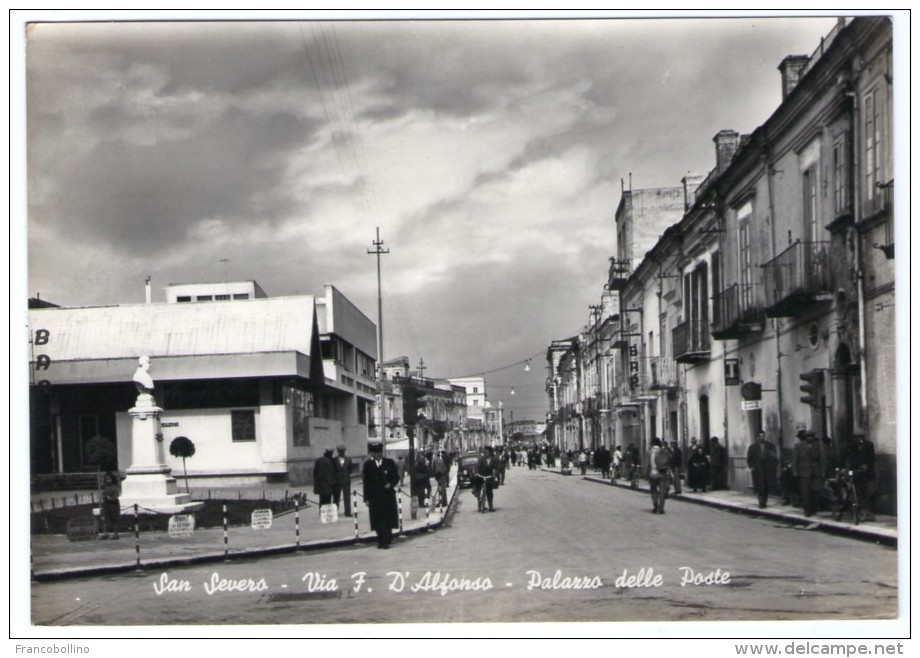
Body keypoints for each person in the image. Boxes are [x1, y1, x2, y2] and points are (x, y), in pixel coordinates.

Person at [362, 442, 400, 549]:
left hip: (387, 496)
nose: (378, 455)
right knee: (377, 519)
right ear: (372, 454)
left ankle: (387, 540)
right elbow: (366, 482)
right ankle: (381, 540)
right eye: (375, 453)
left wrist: (391, 484)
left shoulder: (389, 463)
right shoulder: (368, 465)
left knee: (388, 518)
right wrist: (366, 498)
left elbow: (396, 478)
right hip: (375, 496)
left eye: (380, 452)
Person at [791, 429, 826, 517]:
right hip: (804, 472)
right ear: (805, 438)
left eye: (811, 437)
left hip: (815, 471)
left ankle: (813, 508)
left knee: (816, 491)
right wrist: (794, 471)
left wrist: (822, 471)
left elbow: (822, 459)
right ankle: (807, 510)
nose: (809, 438)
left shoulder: (817, 446)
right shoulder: (798, 446)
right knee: (805, 492)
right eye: (808, 437)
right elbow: (794, 459)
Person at [845, 433, 876, 521]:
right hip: (857, 473)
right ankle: (860, 513)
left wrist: (867, 465)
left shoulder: (869, 445)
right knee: (858, 493)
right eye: (857, 438)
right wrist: (857, 466)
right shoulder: (851, 446)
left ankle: (869, 513)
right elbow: (849, 459)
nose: (859, 440)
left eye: (861, 438)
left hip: (868, 473)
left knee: (870, 492)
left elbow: (872, 458)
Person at [746, 431, 779, 509]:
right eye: (760, 436)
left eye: (763, 436)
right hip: (758, 471)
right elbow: (749, 458)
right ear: (757, 437)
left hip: (767, 470)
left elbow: (775, 458)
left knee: (766, 487)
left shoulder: (770, 446)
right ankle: (761, 502)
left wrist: (772, 466)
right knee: (760, 487)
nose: (762, 438)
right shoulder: (753, 447)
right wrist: (752, 467)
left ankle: (764, 501)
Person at [647, 438, 671, 514]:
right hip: (662, 473)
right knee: (662, 492)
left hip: (653, 474)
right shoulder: (664, 451)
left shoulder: (649, 452)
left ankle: (655, 506)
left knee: (653, 490)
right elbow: (669, 460)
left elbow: (647, 464)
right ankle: (661, 508)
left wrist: (646, 474)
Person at [98, 471, 121, 540]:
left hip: (113, 504)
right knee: (104, 518)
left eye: (109, 479)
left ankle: (115, 534)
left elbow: (116, 496)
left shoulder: (115, 487)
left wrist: (110, 498)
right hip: (106, 504)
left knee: (114, 519)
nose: (108, 480)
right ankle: (105, 533)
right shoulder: (105, 487)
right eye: (106, 479)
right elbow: (103, 495)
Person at [475, 446, 498, 511]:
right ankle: (479, 505)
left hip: (489, 476)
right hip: (481, 475)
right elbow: (477, 466)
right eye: (485, 452)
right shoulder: (481, 459)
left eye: (487, 452)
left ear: (490, 452)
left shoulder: (493, 459)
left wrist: (495, 474)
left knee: (490, 491)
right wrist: (476, 473)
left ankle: (491, 506)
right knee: (478, 488)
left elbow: (496, 468)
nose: (486, 453)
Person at [334, 444, 354, 517]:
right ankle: (335, 512)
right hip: (337, 481)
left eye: (343, 451)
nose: (341, 453)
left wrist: (346, 475)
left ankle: (347, 512)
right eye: (340, 451)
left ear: (344, 452)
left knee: (347, 497)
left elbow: (351, 469)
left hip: (346, 480)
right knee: (336, 497)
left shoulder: (348, 459)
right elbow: (333, 470)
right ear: (338, 452)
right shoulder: (334, 460)